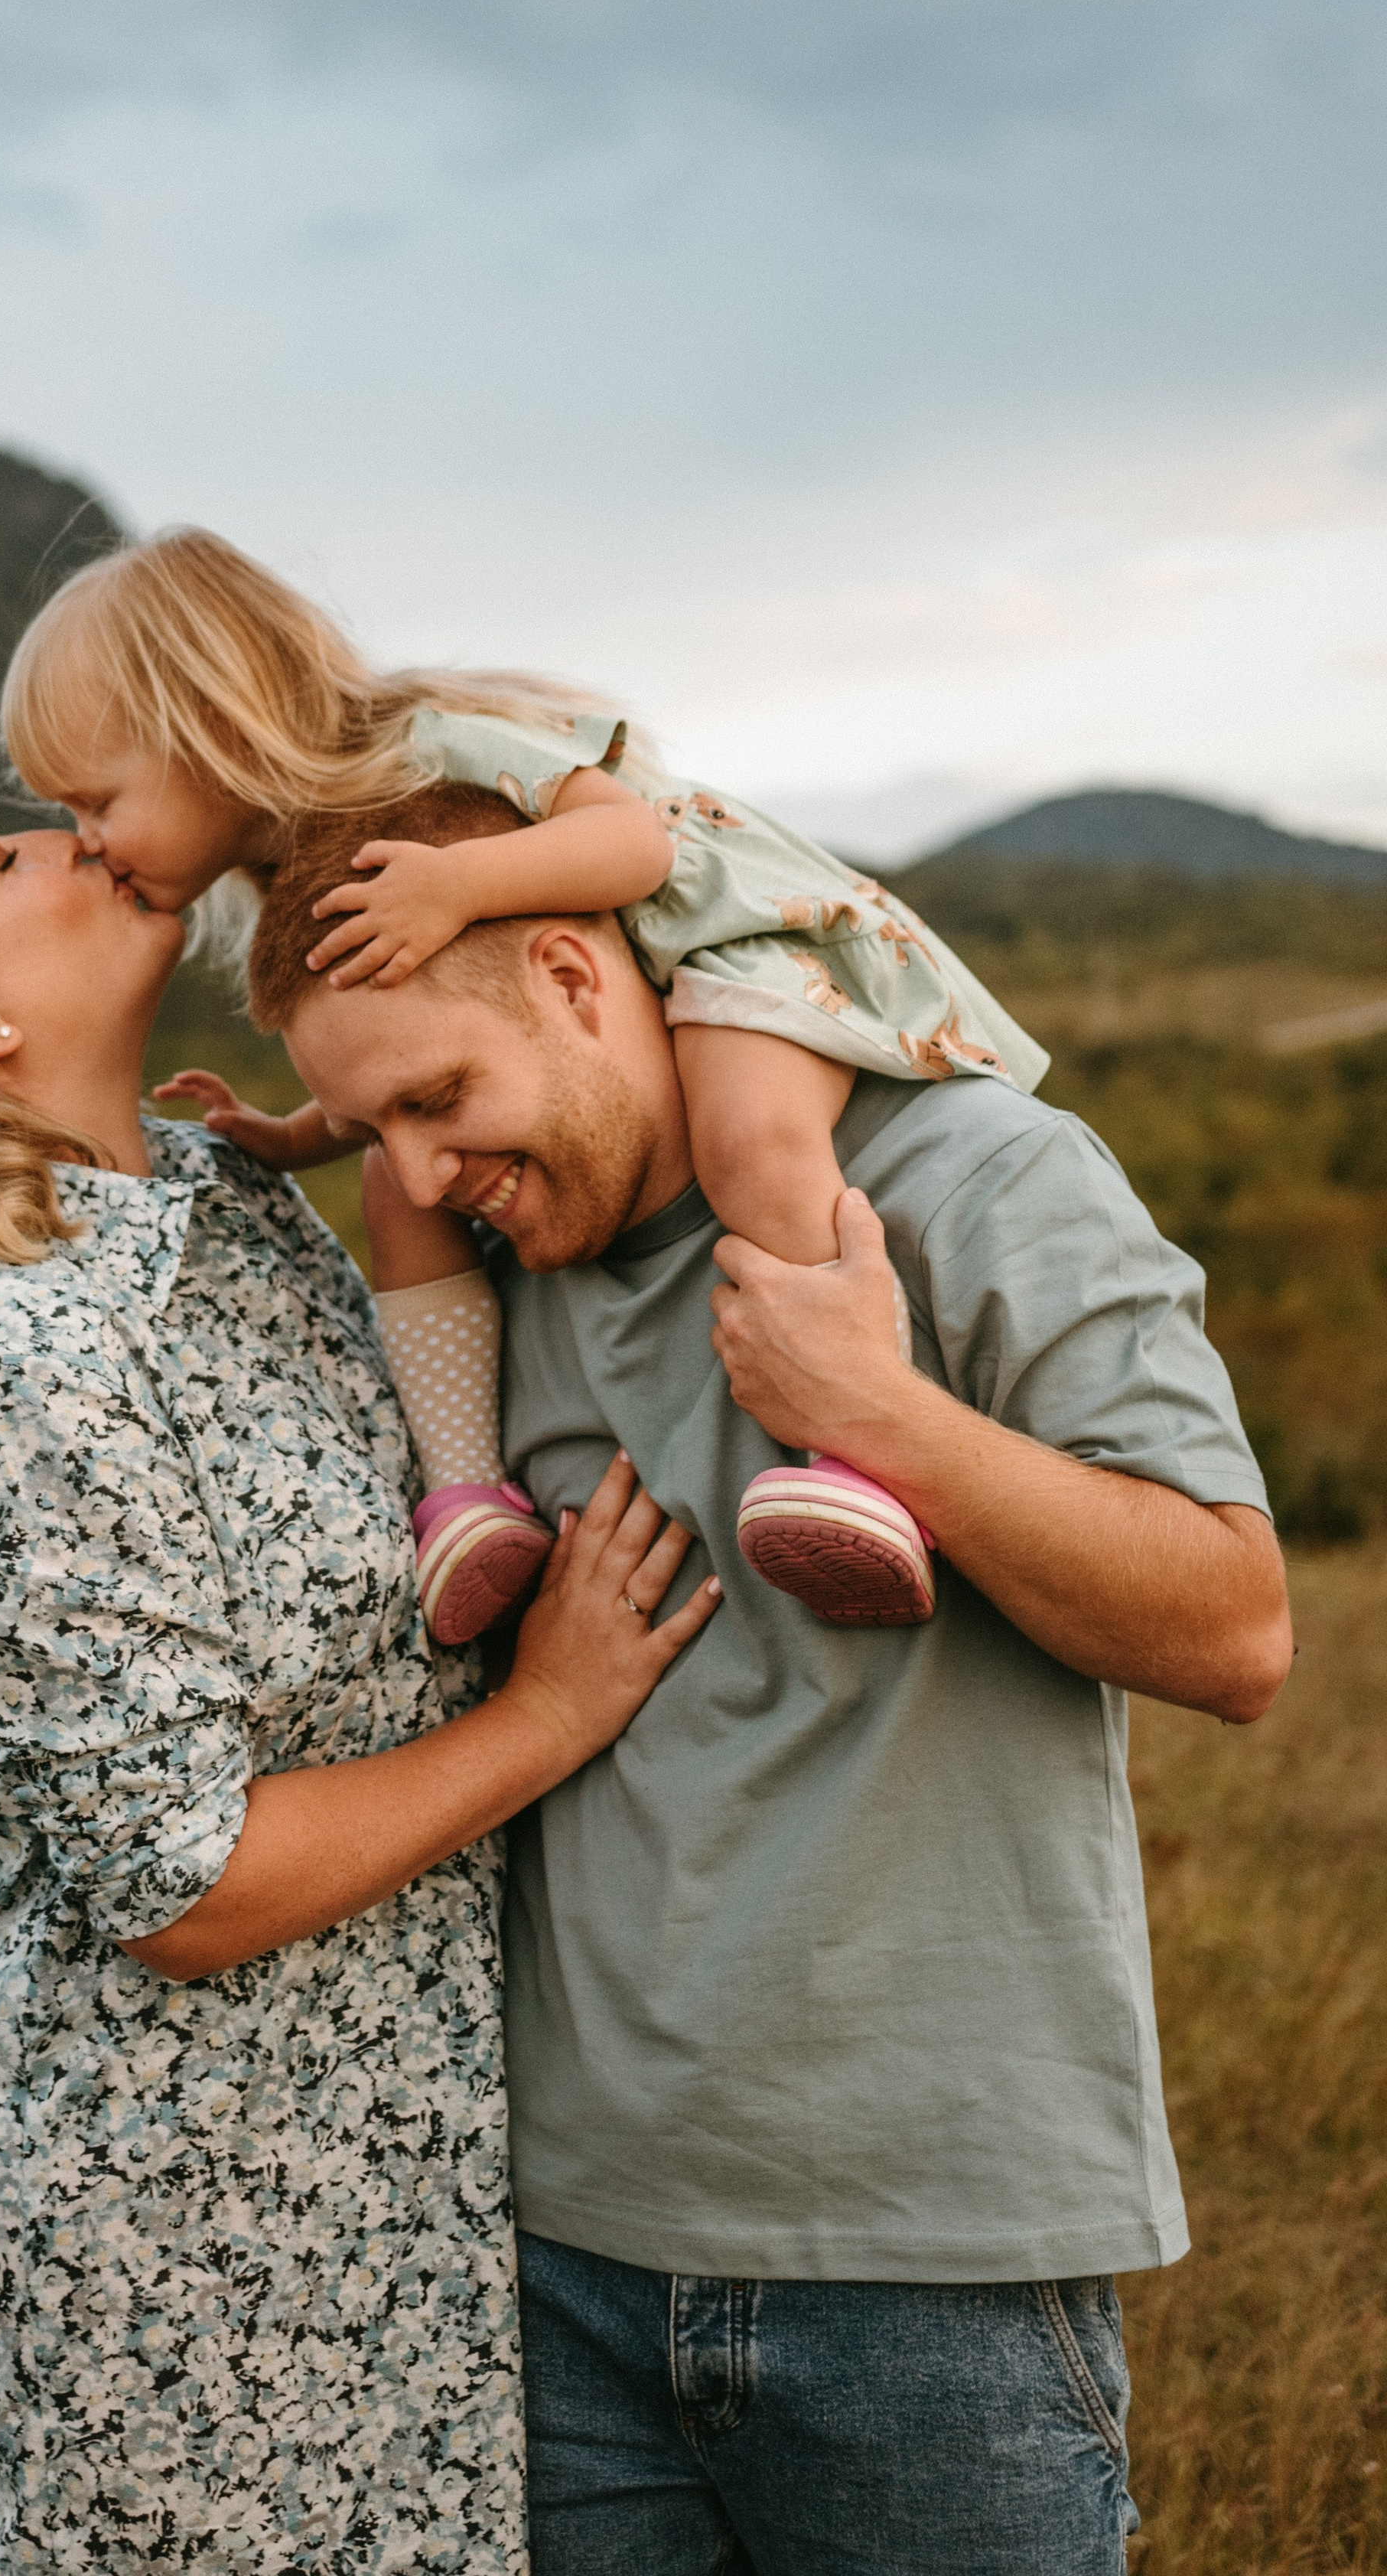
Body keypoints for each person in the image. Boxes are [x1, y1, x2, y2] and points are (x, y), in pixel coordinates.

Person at [0, 776, 720, 2576]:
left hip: (387, 2185)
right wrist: (550, 1712)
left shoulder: (226, 1201)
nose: (66, 836)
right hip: (173, 2235)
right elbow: (184, 1880)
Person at [244, 778, 1296, 2576]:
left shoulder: (974, 1176)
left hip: (928, 2278)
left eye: (436, 1100)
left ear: (577, 976)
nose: (417, 1179)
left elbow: (1233, 1631)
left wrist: (876, 1418)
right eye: (368, 1129)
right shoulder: (492, 1288)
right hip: (556, 2259)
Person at [0, 525, 1047, 1643]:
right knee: (404, 1193)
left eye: (97, 801)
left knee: (748, 1140)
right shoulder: (289, 867)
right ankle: (465, 1495)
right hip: (623, 993)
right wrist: (301, 1135)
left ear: (201, 728)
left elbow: (634, 848)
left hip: (734, 943)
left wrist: (458, 884)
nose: (86, 839)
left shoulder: (427, 743)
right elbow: (399, 1068)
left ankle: (859, 1461)